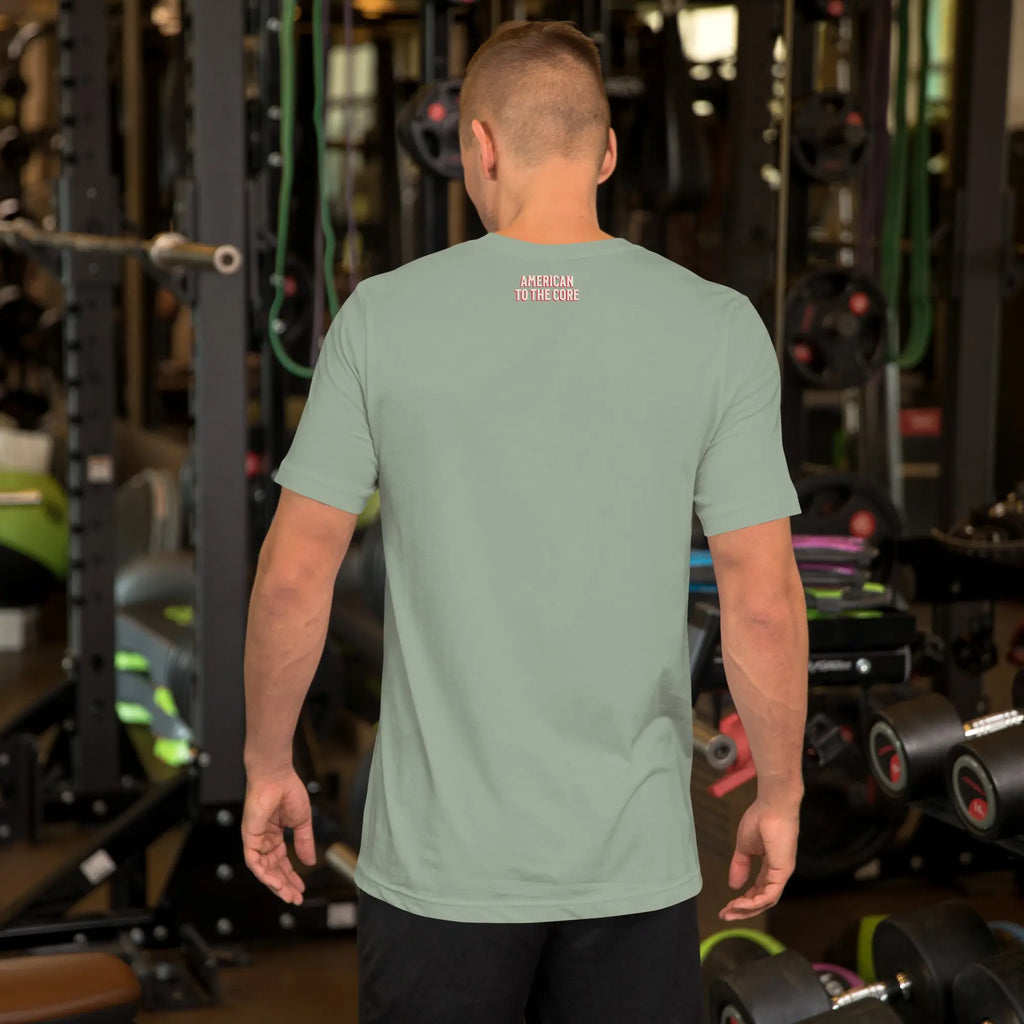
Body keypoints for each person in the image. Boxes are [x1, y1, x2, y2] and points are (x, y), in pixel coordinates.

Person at [242, 19, 808, 1024]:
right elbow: (759, 597)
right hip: (631, 862)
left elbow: (294, 576)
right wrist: (781, 791)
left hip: (440, 866)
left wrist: (268, 763)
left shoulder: (382, 317)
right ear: (608, 153)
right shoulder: (717, 326)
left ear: (479, 145)